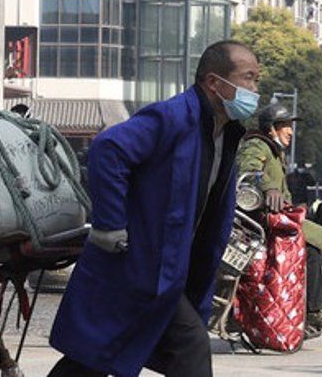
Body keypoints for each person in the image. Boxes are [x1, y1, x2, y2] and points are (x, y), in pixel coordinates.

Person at [48, 41, 259, 377]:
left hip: (168, 268)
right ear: (214, 83)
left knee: (93, 358)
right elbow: (108, 149)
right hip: (140, 265)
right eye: (248, 79)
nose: (254, 90)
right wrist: (109, 225)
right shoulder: (174, 116)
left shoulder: (226, 134)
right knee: (189, 345)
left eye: (256, 81)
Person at [235, 102, 322, 334]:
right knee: (313, 246)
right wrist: (269, 188)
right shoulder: (257, 145)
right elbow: (248, 170)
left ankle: (304, 306)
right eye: (285, 126)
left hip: (278, 215)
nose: (291, 131)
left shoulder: (274, 150)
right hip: (262, 220)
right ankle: (312, 312)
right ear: (271, 128)